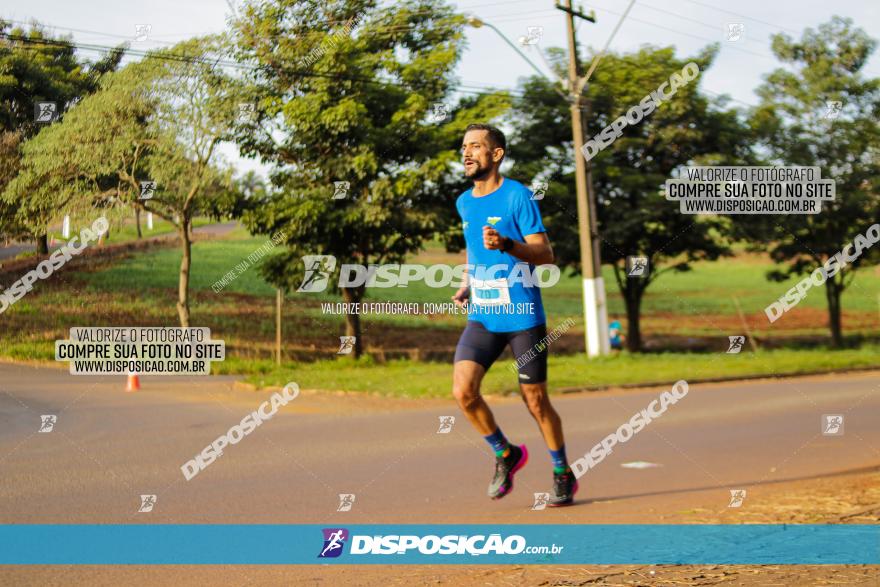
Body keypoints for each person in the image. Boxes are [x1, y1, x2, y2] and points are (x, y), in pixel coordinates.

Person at [450, 123, 577, 507]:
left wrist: (508, 245)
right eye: (464, 147)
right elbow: (474, 252)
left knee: (535, 401)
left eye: (476, 146)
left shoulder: (517, 196)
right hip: (484, 315)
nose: (467, 153)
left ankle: (561, 472)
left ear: (497, 154)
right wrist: (468, 282)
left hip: (522, 315)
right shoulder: (465, 202)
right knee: (464, 392)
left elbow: (545, 252)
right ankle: (506, 453)